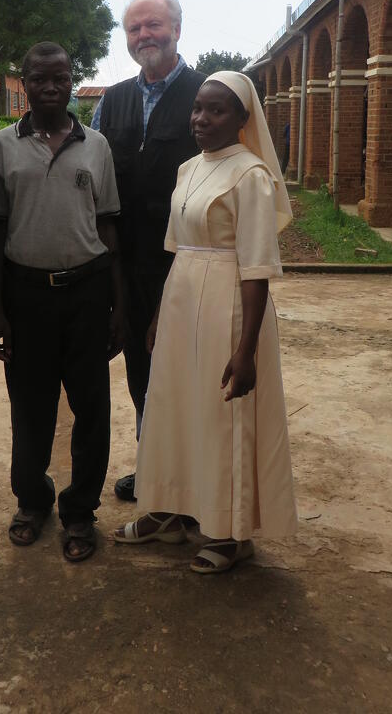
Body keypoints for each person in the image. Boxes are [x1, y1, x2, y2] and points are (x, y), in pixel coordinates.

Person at [114, 71, 297, 574]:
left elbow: (257, 268)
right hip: (180, 297)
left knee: (221, 416)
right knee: (170, 404)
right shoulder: (188, 169)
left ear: (242, 119)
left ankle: (228, 532)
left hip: (229, 304)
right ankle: (166, 510)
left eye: (216, 110)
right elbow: (176, 250)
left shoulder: (251, 175)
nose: (201, 118)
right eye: (197, 108)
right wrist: (157, 317)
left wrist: (246, 348)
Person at [0, 42, 123, 563]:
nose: (50, 87)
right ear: (23, 82)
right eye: (39, 79)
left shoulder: (97, 145)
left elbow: (109, 226)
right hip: (25, 297)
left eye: (60, 78)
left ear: (73, 80)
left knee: (91, 408)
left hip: (87, 294)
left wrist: (120, 308)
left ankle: (81, 512)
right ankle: (33, 500)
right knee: (30, 407)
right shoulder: (2, 146)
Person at [93, 0, 204, 501]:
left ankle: (193, 478)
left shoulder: (207, 96)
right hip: (129, 264)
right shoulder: (110, 103)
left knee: (188, 374)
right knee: (141, 370)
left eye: (153, 25)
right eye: (134, 29)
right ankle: (154, 467)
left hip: (190, 265)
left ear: (178, 29)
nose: (144, 36)